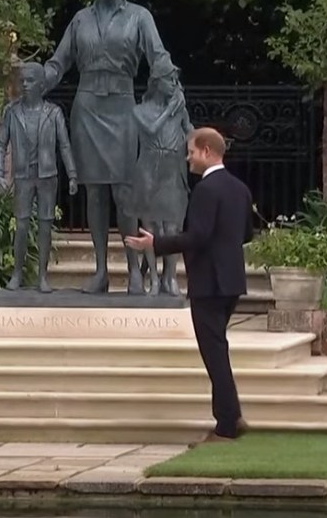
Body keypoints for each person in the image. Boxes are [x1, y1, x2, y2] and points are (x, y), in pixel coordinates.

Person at [43, 0, 184, 295]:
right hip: (87, 107)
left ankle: (134, 269)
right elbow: (59, 63)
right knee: (94, 193)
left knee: (125, 191)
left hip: (122, 108)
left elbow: (159, 57)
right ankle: (101, 270)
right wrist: (33, 81)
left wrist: (176, 92)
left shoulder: (139, 17)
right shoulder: (80, 20)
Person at [125, 127, 254, 443]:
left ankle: (226, 424)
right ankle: (232, 414)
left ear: (207, 151)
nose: (188, 157)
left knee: (214, 353)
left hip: (209, 282)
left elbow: (197, 236)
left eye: (192, 151)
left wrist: (156, 243)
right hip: (232, 280)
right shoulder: (240, 189)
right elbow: (247, 234)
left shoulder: (206, 190)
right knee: (217, 349)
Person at [0, 62, 78, 292]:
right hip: (23, 176)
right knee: (21, 226)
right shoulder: (12, 112)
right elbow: (1, 144)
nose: (25, 85)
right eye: (22, 81)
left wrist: (72, 174)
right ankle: (17, 274)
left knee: (45, 226)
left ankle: (42, 276)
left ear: (41, 85)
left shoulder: (54, 113)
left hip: (47, 176)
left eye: (30, 81)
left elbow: (65, 145)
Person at [130, 62, 194, 296]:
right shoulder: (140, 110)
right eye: (171, 81)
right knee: (151, 226)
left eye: (177, 81)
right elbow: (150, 129)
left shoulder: (180, 109)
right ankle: (154, 279)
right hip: (149, 169)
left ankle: (170, 277)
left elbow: (190, 131)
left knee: (173, 227)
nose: (176, 86)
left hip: (173, 169)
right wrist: (169, 111)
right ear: (157, 82)